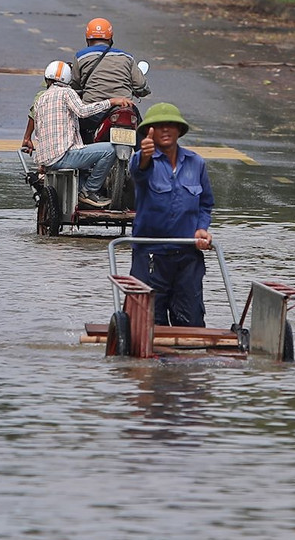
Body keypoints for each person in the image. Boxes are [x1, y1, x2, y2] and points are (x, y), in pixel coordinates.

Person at [128, 103, 213, 327]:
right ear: (149, 132)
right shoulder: (142, 159)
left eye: (170, 126)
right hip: (150, 256)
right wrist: (145, 155)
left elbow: (205, 204)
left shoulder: (196, 163)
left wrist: (201, 228)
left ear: (179, 130)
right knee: (146, 323)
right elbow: (138, 171)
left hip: (187, 257)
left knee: (191, 322)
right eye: (159, 126)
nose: (165, 130)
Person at [20, 61, 132, 205]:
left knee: (86, 156)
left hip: (47, 160)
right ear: (68, 79)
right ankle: (88, 191)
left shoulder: (41, 99)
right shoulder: (67, 92)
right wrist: (111, 102)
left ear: (47, 79)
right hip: (64, 156)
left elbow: (38, 128)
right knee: (110, 150)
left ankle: (83, 189)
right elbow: (83, 112)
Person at [72, 18, 149, 142]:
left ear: (87, 38)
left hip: (93, 112)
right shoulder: (126, 57)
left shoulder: (81, 57)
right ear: (110, 38)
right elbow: (141, 86)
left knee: (77, 131)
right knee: (143, 136)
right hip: (124, 107)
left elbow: (75, 87)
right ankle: (148, 159)